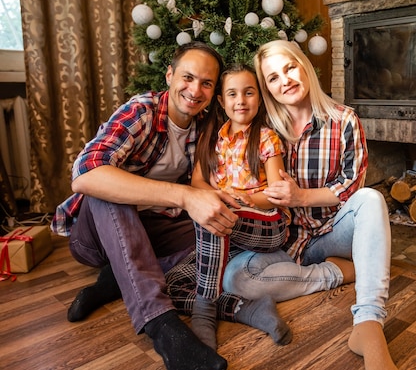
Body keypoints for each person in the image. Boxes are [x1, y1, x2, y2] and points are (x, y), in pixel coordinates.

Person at [51, 42, 286, 370]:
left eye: (206, 83)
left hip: (153, 231)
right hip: (94, 236)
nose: (195, 90)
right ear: (169, 75)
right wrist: (185, 196)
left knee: (213, 223)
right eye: (187, 78)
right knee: (110, 190)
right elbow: (85, 174)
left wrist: (224, 199)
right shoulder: (142, 111)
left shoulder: (206, 127)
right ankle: (163, 327)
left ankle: (115, 282)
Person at [221, 39, 398, 370]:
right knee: (236, 279)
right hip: (284, 240)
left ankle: (369, 326)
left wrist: (300, 196)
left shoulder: (344, 120)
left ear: (304, 66)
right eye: (272, 78)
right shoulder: (262, 131)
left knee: (371, 199)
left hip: (333, 230)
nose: (284, 80)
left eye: (289, 68)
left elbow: (350, 187)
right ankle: (340, 272)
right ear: (266, 89)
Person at [190, 64, 292, 349]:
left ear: (258, 98)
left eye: (248, 93)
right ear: (222, 101)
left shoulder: (266, 138)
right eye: (232, 94)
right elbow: (197, 182)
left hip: (268, 225)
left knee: (215, 210)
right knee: (173, 282)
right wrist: (220, 196)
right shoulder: (211, 140)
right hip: (229, 233)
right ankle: (249, 310)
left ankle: (205, 309)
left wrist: (242, 199)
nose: (241, 101)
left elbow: (275, 195)